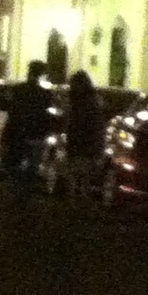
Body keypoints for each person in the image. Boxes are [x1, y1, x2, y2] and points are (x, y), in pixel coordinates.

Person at [1, 60, 55, 202]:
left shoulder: (18, 90)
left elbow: (11, 112)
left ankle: (19, 188)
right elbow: (47, 115)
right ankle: (26, 191)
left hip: (18, 132)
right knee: (32, 165)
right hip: (36, 133)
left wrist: (7, 133)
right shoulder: (45, 94)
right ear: (41, 74)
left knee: (14, 162)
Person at [63, 70, 102, 199]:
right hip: (81, 144)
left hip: (83, 143)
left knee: (78, 174)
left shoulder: (85, 102)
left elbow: (92, 125)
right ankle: (79, 199)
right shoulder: (90, 101)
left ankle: (76, 199)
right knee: (80, 175)